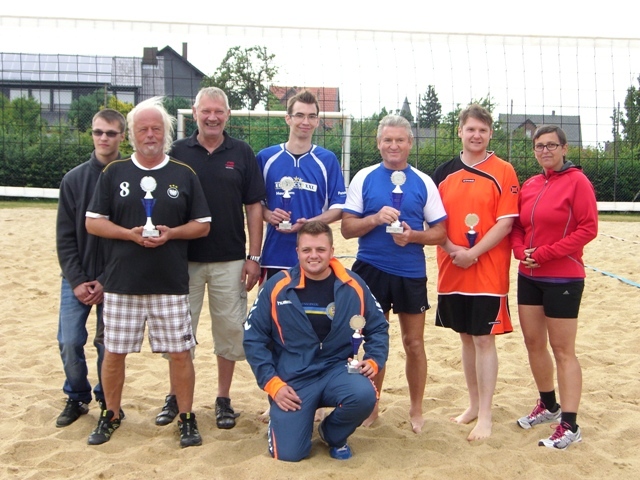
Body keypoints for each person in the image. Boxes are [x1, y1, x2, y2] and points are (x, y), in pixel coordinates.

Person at [85, 97, 211, 448]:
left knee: (180, 354)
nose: (150, 134)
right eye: (143, 129)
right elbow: (93, 222)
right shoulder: (115, 172)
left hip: (169, 283)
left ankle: (186, 417)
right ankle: (111, 413)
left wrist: (172, 233)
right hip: (121, 283)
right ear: (132, 134)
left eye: (156, 128)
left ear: (166, 132)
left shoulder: (183, 173)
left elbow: (202, 225)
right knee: (114, 352)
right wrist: (128, 234)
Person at [155, 87, 266, 430]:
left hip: (229, 259)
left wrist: (254, 256)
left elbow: (254, 207)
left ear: (228, 115)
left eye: (219, 111)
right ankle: (176, 395)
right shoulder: (176, 151)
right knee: (179, 332)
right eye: (206, 111)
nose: (212, 117)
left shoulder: (242, 152)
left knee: (229, 332)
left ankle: (223, 398)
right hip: (182, 259)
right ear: (195, 112)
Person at [243, 221, 389, 462]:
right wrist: (272, 383)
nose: (313, 256)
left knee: (364, 395)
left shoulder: (353, 285)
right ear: (297, 252)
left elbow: (378, 326)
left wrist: (374, 360)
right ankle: (286, 424)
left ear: (332, 251)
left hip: (336, 370)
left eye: (320, 249)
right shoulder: (277, 286)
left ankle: (332, 434)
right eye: (307, 250)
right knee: (289, 455)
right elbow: (253, 337)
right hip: (294, 378)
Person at [341, 114, 447, 433]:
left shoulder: (423, 182)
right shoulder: (364, 177)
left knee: (414, 343)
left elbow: (440, 232)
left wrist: (413, 236)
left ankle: (416, 409)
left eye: (400, 139)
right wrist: (374, 219)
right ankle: (372, 406)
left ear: (410, 143)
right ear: (378, 143)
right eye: (388, 139)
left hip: (410, 272)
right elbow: (347, 228)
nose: (394, 145)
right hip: (370, 269)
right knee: (374, 341)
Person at [431, 104, 520, 441]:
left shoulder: (504, 171)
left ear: (491, 133)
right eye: (471, 129)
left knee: (484, 338)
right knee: (466, 337)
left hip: (488, 271)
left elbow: (505, 223)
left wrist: (473, 253)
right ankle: (472, 405)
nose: (476, 135)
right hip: (452, 267)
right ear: (460, 131)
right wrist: (453, 250)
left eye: (482, 130)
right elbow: (433, 221)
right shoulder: (443, 173)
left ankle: (485, 415)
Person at [511, 125, 597, 450]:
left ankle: (570, 425)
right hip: (529, 275)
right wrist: (520, 251)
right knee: (534, 343)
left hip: (563, 276)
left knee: (563, 350)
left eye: (551, 145)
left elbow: (588, 229)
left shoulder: (578, 182)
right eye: (539, 146)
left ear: (564, 148)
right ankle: (549, 406)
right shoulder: (531, 184)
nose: (545, 150)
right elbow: (518, 226)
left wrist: (545, 254)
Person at [55, 109, 126, 427]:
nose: (103, 138)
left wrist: (105, 279)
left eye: (110, 133)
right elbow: (64, 237)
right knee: (69, 341)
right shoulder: (73, 180)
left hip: (114, 279)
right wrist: (77, 280)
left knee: (107, 346)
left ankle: (107, 401)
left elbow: (131, 238)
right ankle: (77, 395)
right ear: (92, 134)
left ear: (122, 136)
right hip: (76, 278)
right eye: (98, 132)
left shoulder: (130, 178)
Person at [257, 89, 346, 281]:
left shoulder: (327, 160)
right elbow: (255, 204)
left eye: (311, 116)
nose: (305, 121)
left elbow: (339, 207)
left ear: (317, 121)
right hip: (275, 255)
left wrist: (311, 223)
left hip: (315, 258)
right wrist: (269, 215)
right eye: (299, 115)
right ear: (288, 118)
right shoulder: (266, 158)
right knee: (273, 301)